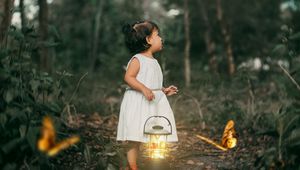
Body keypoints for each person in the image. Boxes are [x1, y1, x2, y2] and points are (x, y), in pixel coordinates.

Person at [116, 20, 178, 170]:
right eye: (157, 35)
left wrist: (163, 90)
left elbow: (153, 84)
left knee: (154, 132)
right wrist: (143, 89)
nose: (161, 38)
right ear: (148, 40)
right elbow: (129, 77)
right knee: (135, 137)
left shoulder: (154, 62)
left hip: (151, 101)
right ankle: (133, 166)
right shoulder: (138, 59)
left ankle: (154, 162)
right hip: (138, 102)